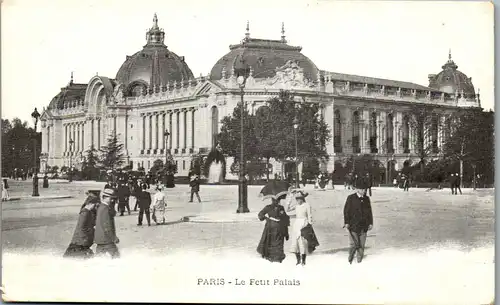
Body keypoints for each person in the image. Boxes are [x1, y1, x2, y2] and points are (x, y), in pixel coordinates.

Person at [343, 181, 373, 264]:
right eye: (362, 189)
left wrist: (370, 223)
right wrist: (346, 222)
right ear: (357, 190)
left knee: (361, 246)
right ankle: (350, 260)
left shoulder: (366, 199)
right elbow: (346, 211)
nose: (364, 191)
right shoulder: (351, 198)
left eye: (365, 189)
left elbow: (369, 211)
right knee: (353, 245)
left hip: (364, 226)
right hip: (353, 226)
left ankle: (359, 261)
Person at [63, 194, 99, 259]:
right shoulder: (85, 213)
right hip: (80, 243)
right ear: (90, 203)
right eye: (95, 205)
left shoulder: (88, 212)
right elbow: (82, 227)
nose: (95, 207)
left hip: (82, 243)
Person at [257, 194, 290, 263]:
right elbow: (260, 215)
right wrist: (266, 218)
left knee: (276, 241)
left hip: (276, 227)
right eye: (275, 200)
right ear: (272, 200)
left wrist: (286, 232)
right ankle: (273, 256)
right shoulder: (269, 207)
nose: (276, 201)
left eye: (277, 200)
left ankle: (276, 256)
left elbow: (284, 218)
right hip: (272, 227)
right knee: (273, 241)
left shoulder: (280, 208)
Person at [287, 191, 316, 266]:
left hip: (304, 224)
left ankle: (303, 261)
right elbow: (287, 209)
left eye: (299, 199)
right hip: (297, 224)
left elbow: (309, 215)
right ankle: (298, 260)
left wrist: (310, 224)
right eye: (296, 199)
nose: (297, 201)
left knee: (303, 242)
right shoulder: (296, 206)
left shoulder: (307, 205)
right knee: (295, 242)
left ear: (302, 199)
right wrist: (290, 197)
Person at [95, 188, 120, 258]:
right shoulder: (105, 209)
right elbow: (106, 226)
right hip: (106, 239)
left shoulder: (101, 207)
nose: (112, 200)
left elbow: (113, 213)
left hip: (100, 239)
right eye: (111, 198)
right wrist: (113, 238)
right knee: (116, 257)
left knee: (99, 258)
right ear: (104, 197)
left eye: (113, 199)